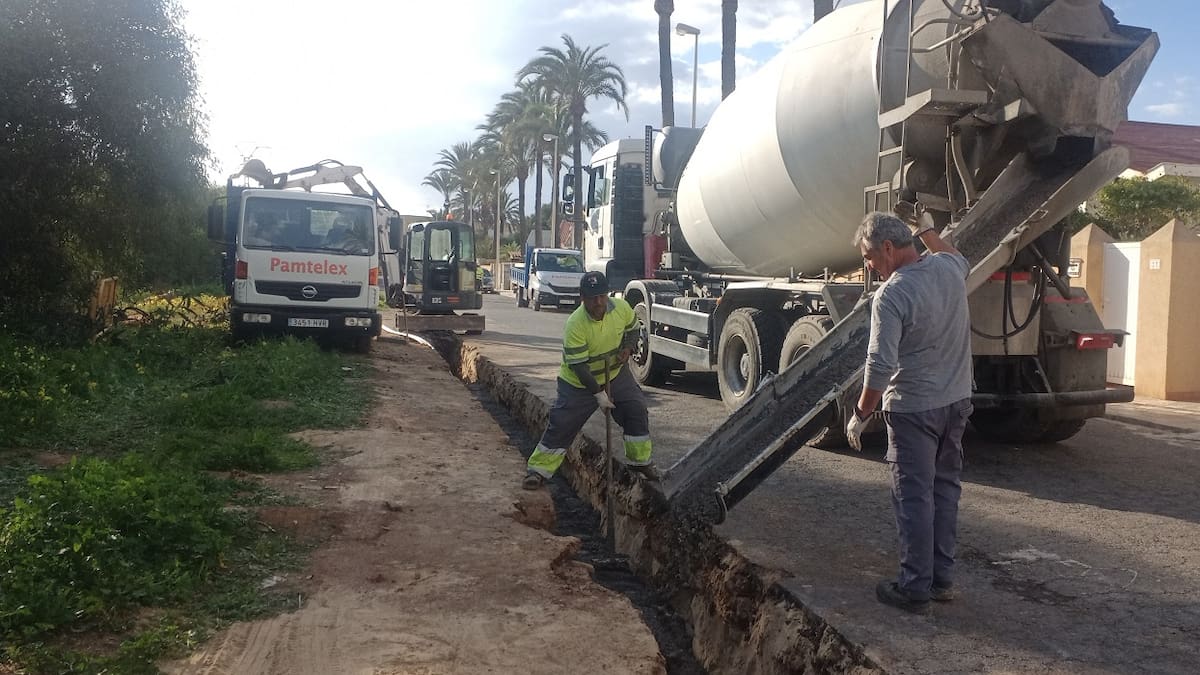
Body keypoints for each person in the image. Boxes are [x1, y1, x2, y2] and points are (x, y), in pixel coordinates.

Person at [847, 209, 973, 615]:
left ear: (887, 247)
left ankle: (914, 587)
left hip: (914, 409)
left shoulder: (892, 294)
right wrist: (929, 231)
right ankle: (942, 580)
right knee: (945, 490)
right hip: (956, 403)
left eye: (869, 257)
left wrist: (861, 413)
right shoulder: (949, 268)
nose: (868, 267)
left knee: (914, 497)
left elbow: (879, 365)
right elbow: (959, 256)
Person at [522, 271, 658, 490]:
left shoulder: (621, 308)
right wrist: (599, 394)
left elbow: (633, 329)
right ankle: (538, 471)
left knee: (636, 409)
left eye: (602, 296)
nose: (599, 302)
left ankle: (640, 462)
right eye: (593, 298)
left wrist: (628, 347)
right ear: (582, 297)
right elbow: (579, 367)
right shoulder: (575, 324)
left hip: (615, 374)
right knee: (562, 424)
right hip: (578, 383)